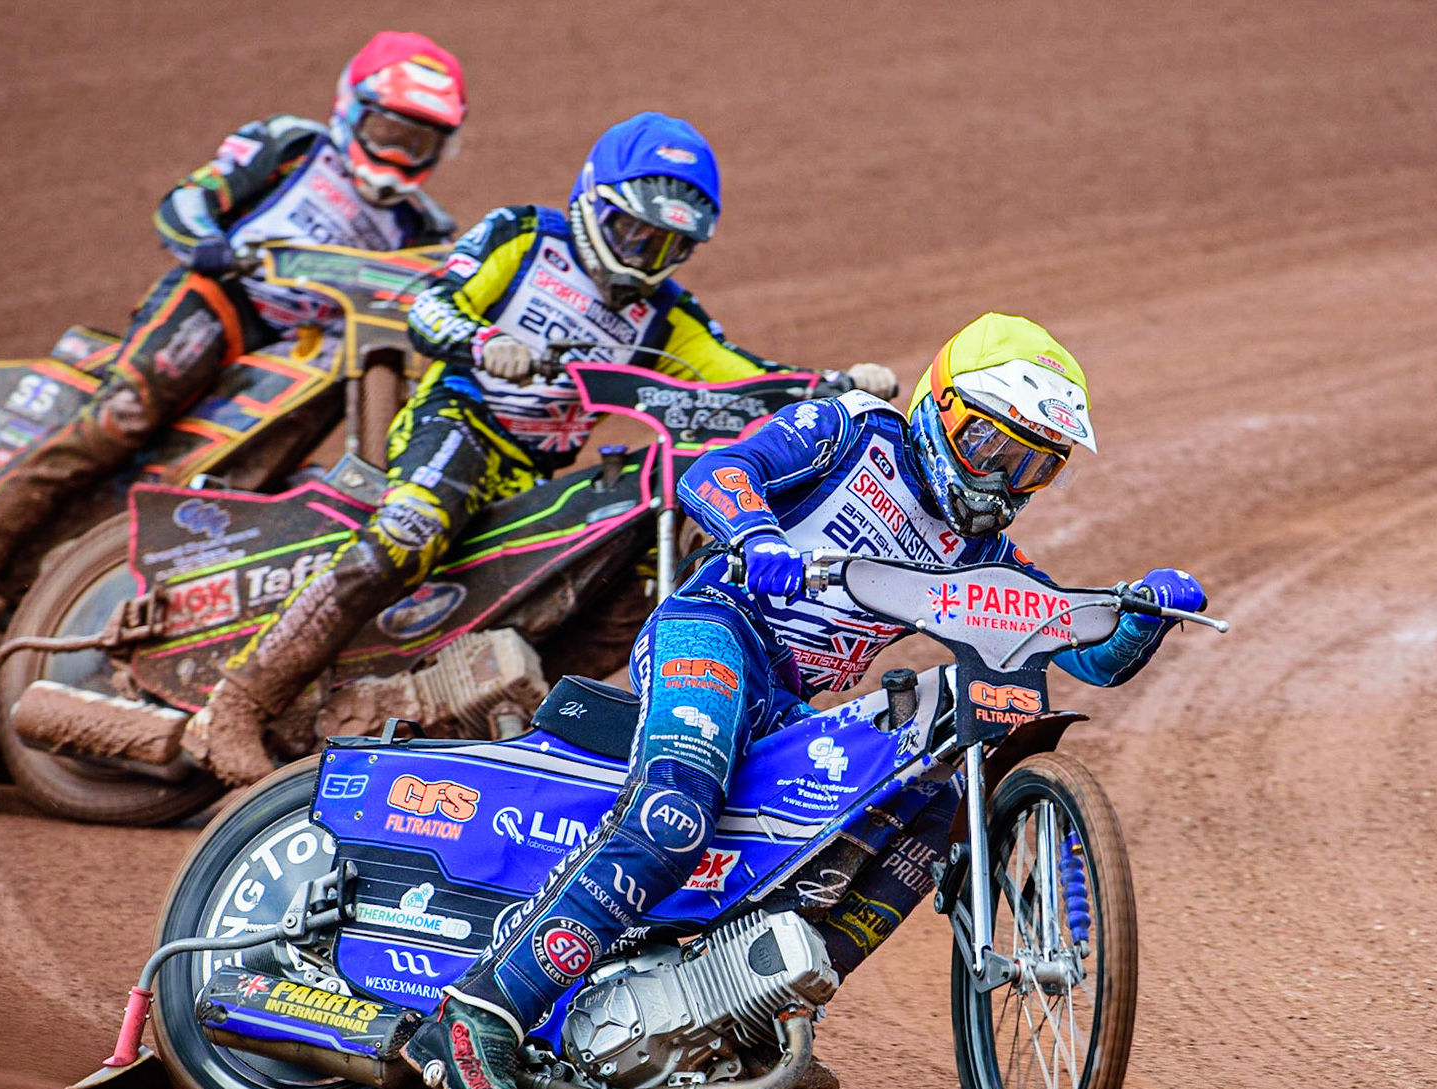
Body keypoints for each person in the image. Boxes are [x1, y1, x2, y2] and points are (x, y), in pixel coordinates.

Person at [400, 312, 1207, 1089]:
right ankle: (479, 1016)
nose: (1005, 481)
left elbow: (1090, 656)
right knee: (674, 814)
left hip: (787, 698)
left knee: (915, 818)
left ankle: (751, 1010)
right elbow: (717, 472)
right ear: (941, 406)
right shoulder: (853, 432)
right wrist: (754, 533)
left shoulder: (981, 556)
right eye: (994, 448)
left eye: (1035, 465)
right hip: (716, 626)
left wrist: (1142, 612)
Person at [180, 111, 899, 783]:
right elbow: (430, 305)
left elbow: (744, 377)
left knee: (640, 568)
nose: (646, 256)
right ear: (591, 198)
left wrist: (835, 387)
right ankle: (239, 704)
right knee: (413, 529)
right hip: (459, 417)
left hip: (537, 469)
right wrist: (488, 343)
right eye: (633, 233)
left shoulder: (669, 317)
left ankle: (502, 723)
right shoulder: (523, 237)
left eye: (669, 245)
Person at [0, 31, 468, 622]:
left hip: (306, 349)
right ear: (352, 109)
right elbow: (190, 198)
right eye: (388, 134)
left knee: (254, 468)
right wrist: (206, 244)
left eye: (419, 143)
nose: (398, 155)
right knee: (123, 418)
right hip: (220, 303)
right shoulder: (292, 147)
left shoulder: (425, 231)